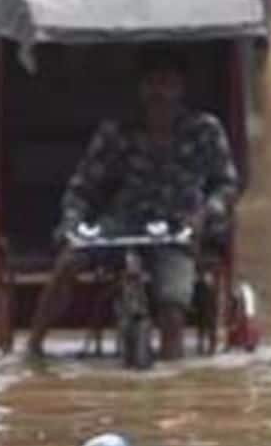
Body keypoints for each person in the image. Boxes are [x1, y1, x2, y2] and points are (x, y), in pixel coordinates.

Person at [25, 48, 240, 362]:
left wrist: (205, 215)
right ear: (141, 88)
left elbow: (227, 184)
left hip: (178, 229)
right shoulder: (117, 131)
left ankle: (172, 379)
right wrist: (72, 225)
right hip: (122, 223)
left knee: (172, 307)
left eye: (168, 84)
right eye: (152, 84)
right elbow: (82, 186)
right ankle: (33, 346)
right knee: (69, 263)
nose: (160, 93)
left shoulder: (205, 130)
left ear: (181, 88)